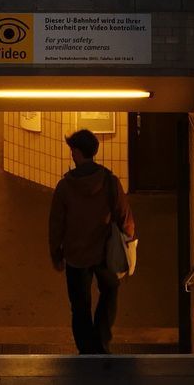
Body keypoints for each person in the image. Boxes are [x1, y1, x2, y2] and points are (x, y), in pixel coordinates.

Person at [48, 128, 135, 355]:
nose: (71, 154)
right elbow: (125, 216)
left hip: (76, 257)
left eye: (72, 150)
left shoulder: (65, 188)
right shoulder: (109, 181)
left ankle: (86, 349)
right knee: (110, 291)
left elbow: (56, 224)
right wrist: (129, 242)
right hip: (104, 253)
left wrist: (56, 253)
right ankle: (102, 340)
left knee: (79, 305)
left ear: (77, 152)